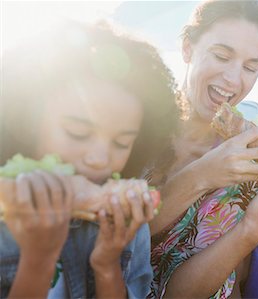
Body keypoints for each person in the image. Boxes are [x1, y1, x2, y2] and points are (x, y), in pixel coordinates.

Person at [147, 1, 258, 298]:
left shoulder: (253, 155)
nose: (233, 79)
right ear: (188, 48)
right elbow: (116, 240)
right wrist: (203, 175)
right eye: (221, 56)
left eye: (250, 67)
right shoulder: (134, 128)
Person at [0, 21, 179, 298]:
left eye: (121, 143)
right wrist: (38, 262)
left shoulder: (129, 226)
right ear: (29, 121)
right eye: (78, 133)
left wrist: (107, 266)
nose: (99, 159)